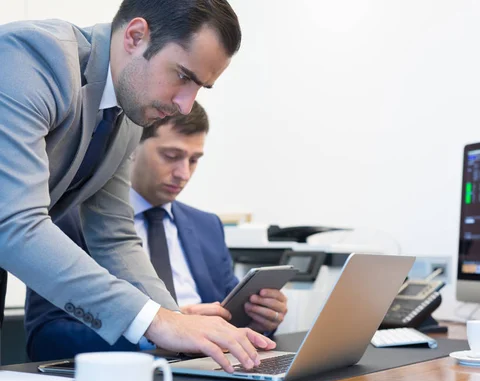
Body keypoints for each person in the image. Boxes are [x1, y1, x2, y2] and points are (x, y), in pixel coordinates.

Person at [0, 0, 274, 372]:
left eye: (201, 87)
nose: (185, 104)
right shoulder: (30, 58)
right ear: (135, 36)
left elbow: (114, 236)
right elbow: (14, 223)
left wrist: (179, 325)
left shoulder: (127, 110)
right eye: (183, 76)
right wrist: (155, 321)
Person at [25, 102, 288, 360]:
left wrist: (261, 318)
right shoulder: (69, 220)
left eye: (194, 160)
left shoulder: (207, 226)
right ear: (131, 148)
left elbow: (230, 315)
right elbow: (45, 338)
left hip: (209, 368)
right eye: (171, 156)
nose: (183, 173)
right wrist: (156, 327)